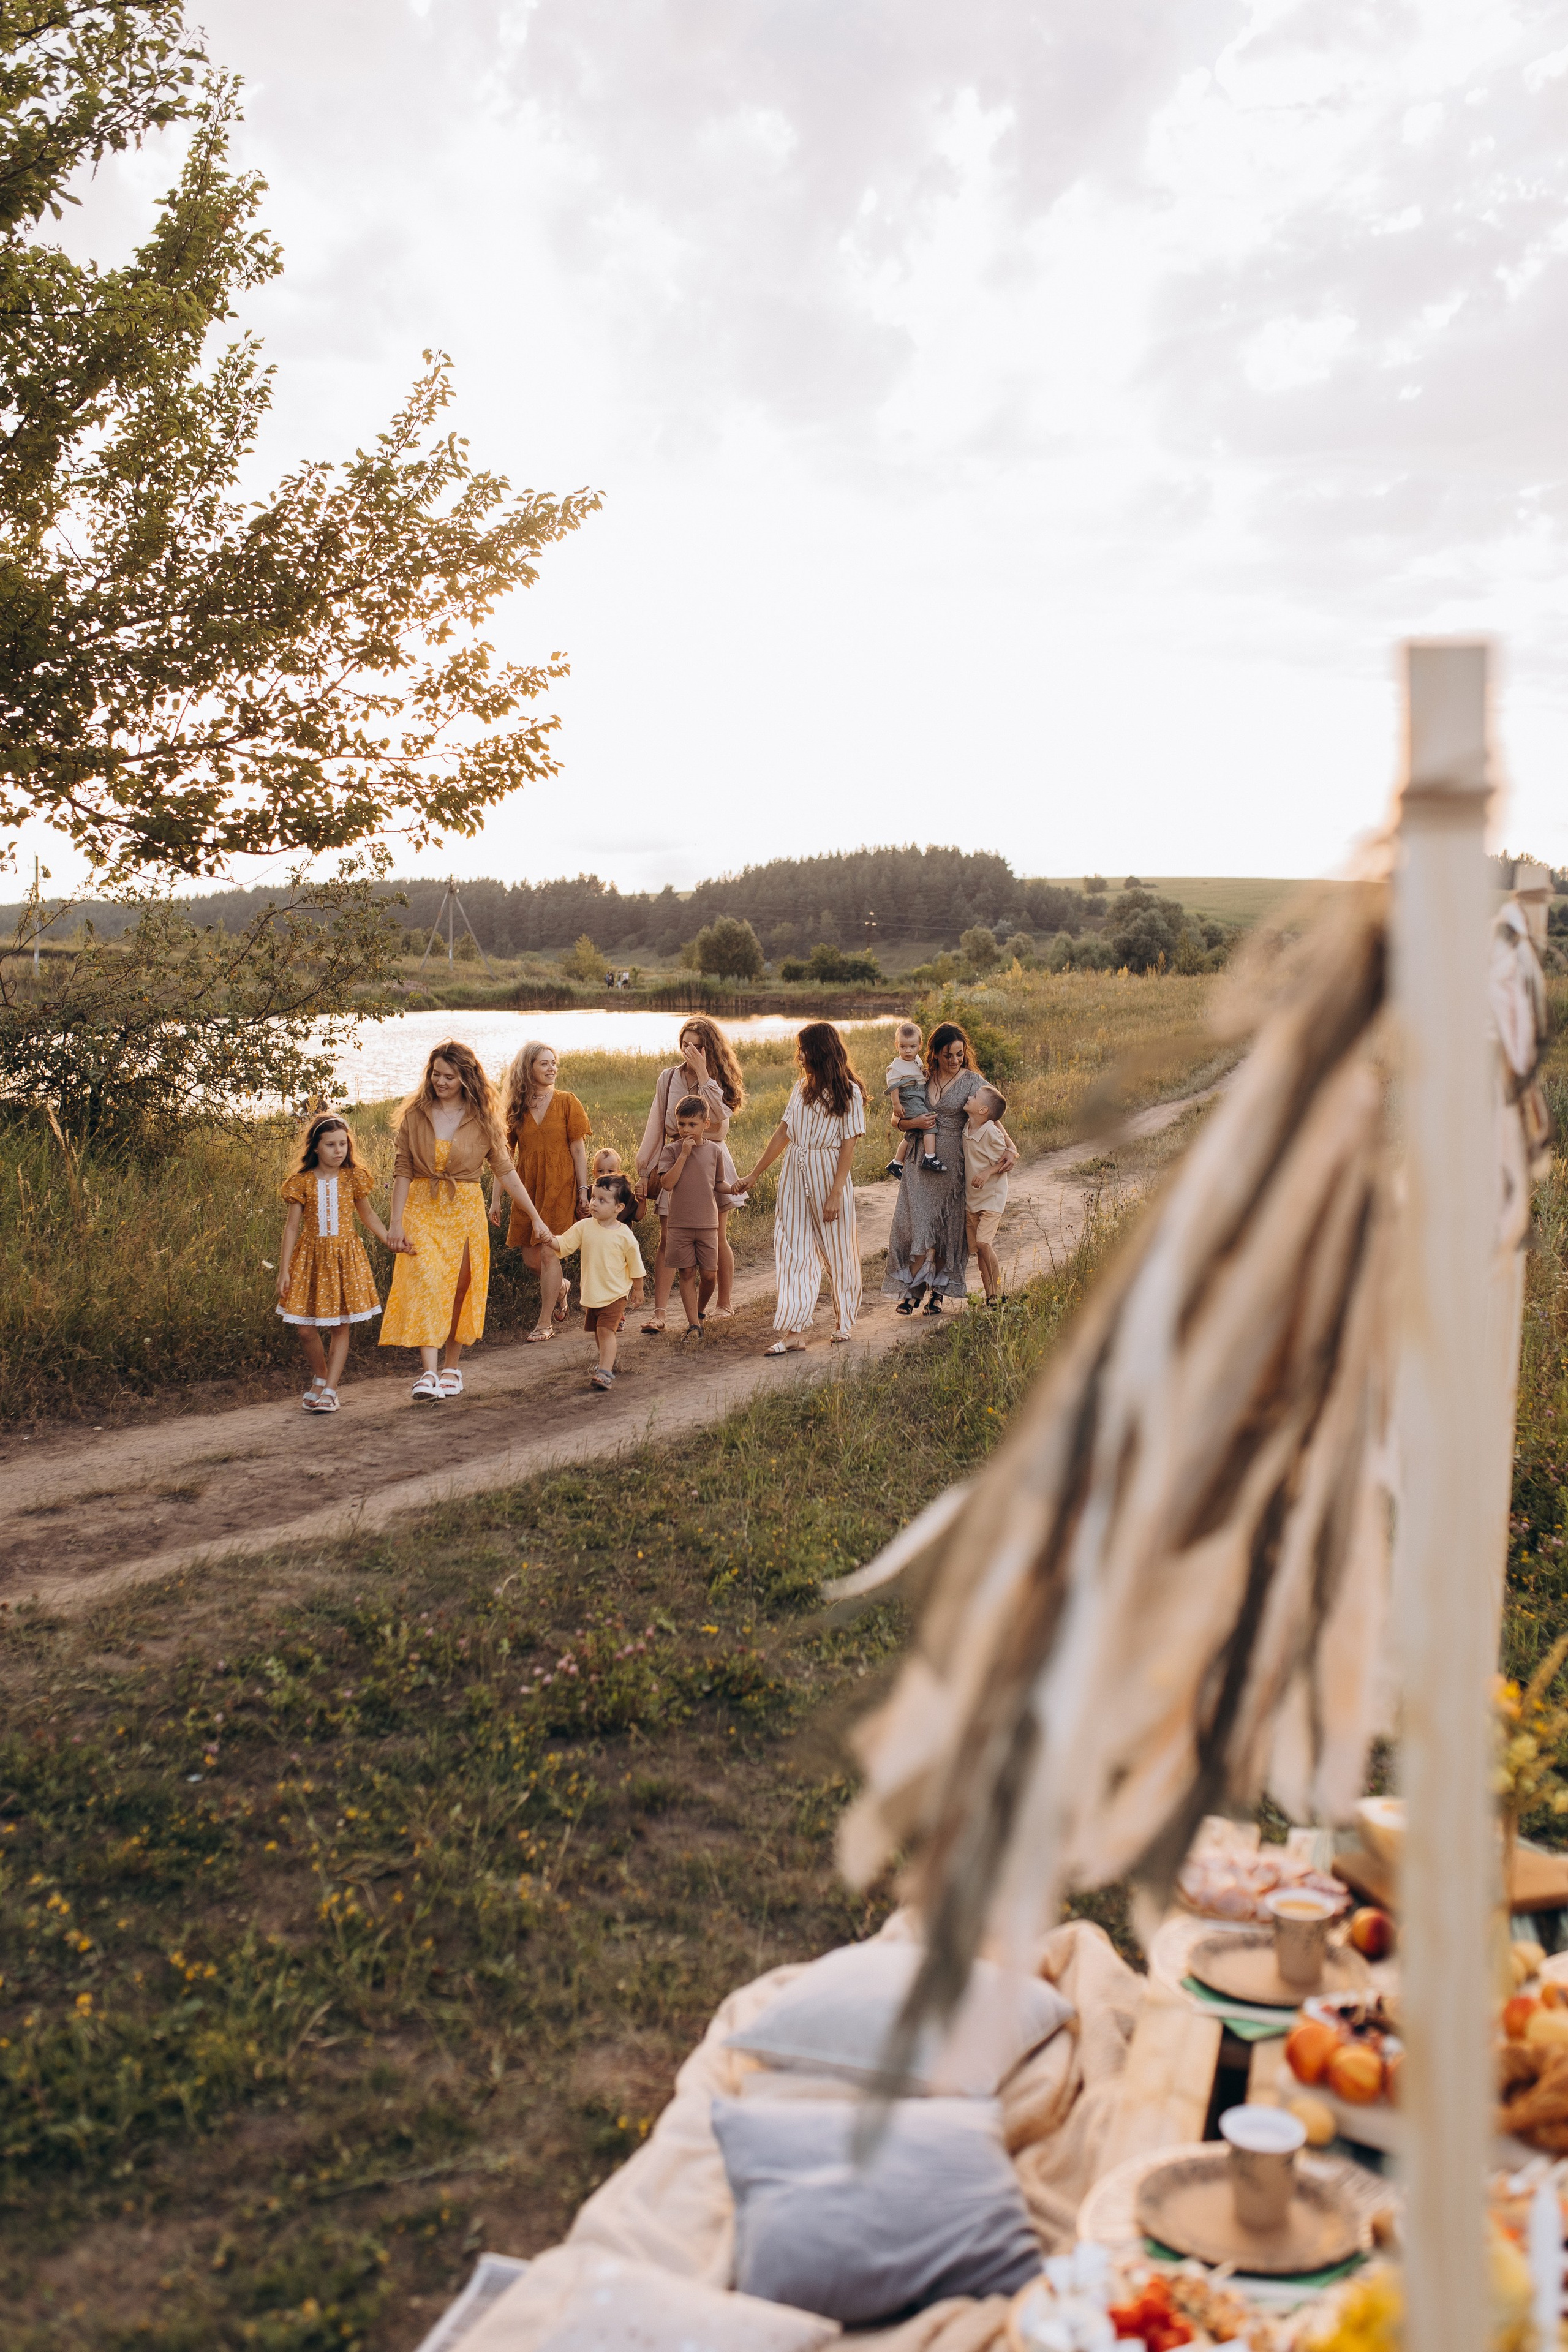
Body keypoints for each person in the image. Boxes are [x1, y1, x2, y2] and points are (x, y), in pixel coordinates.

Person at [383, 1040, 551, 1403]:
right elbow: (402, 1170)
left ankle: (451, 1368)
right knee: (426, 1282)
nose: (439, 1082)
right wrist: (395, 1223)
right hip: (423, 1208)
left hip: (465, 1210)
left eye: (449, 1076)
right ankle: (427, 1373)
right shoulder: (415, 1114)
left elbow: (506, 1170)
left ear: (466, 1078)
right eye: (435, 1074)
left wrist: (535, 1218)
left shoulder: (484, 1118)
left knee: (461, 1287)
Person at [737, 1023, 866, 1356]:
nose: (800, 1056)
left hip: (829, 1174)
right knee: (792, 1248)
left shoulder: (849, 1093)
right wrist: (753, 1175)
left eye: (804, 1049)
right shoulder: (801, 1089)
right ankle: (795, 1331)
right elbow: (783, 1134)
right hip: (795, 1173)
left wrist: (837, 1192)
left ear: (820, 1051)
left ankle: (844, 1320)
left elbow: (849, 1145)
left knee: (839, 1252)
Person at [275, 1113, 407, 1413]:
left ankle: (331, 1389)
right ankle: (320, 1376)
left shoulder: (353, 1178)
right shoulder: (302, 1182)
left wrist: (390, 1239)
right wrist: (284, 1270)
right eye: (331, 1145)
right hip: (311, 1259)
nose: (339, 1151)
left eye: (343, 1144)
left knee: (339, 1325)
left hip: (345, 1258)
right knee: (305, 1330)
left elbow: (368, 1216)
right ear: (316, 1148)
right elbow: (292, 1228)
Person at [883, 1022, 1015, 1316]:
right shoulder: (920, 1076)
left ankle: (938, 1294)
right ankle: (911, 1291)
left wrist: (1011, 1147)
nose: (954, 1061)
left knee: (946, 1231)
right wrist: (912, 1124)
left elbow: (993, 1115)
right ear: (935, 1054)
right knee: (916, 1224)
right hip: (919, 1161)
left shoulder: (972, 1082)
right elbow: (897, 1117)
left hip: (954, 1167)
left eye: (959, 1054)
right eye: (947, 1055)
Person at [636, 1019, 747, 1329]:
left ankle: (724, 1304)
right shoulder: (668, 1078)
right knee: (668, 1237)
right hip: (676, 1157)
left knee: (717, 1235)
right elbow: (656, 1124)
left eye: (698, 1045)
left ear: (709, 1047)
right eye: (686, 1045)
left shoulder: (720, 1077)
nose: (691, 1051)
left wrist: (703, 1073)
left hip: (710, 1157)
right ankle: (659, 1314)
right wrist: (645, 1170)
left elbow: (722, 1114)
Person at [495, 1040, 592, 1342]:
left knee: (550, 1254)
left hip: (561, 1187)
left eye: (554, 1063)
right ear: (529, 1068)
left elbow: (578, 1150)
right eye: (544, 1064)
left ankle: (544, 1323)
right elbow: (503, 1157)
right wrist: (496, 1199)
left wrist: (584, 1190)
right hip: (527, 1189)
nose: (552, 1069)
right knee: (531, 1261)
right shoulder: (515, 1108)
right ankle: (562, 1288)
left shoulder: (567, 1102)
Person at [545, 1174, 647, 1390]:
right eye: (594, 1198)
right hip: (594, 1293)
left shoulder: (625, 1235)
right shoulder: (585, 1227)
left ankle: (605, 1373)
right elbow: (565, 1243)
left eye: (602, 1200)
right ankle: (607, 1362)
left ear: (619, 1207)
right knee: (599, 1332)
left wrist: (638, 1290)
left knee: (606, 1331)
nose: (594, 1204)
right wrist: (549, 1239)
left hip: (616, 1293)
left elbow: (636, 1264)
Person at [655, 1097, 748, 1333]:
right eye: (681, 1124)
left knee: (709, 1276)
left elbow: (718, 1184)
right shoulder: (672, 1150)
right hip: (679, 1224)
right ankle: (694, 1325)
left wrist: (733, 1188)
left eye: (692, 1125)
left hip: (708, 1223)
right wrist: (684, 1155)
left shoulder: (714, 1151)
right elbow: (667, 1184)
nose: (686, 1130)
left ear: (706, 1124)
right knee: (687, 1272)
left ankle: (699, 1310)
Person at [963, 1084, 1014, 1306]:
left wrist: (987, 1172)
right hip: (972, 1197)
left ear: (983, 1110)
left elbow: (1008, 1158)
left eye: (974, 1097)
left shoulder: (992, 1132)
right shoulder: (967, 1127)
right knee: (978, 1250)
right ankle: (990, 1296)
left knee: (984, 1243)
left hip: (992, 1195)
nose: (968, 1097)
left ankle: (999, 1290)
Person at [884, 1018, 944, 1180]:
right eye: (903, 1047)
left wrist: (923, 1073)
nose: (908, 1051)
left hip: (917, 1094)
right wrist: (896, 1105)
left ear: (920, 1045)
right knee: (929, 1123)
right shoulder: (895, 1066)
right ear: (897, 1045)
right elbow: (893, 1087)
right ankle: (930, 1157)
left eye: (912, 1047)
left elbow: (916, 1072)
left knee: (913, 1134)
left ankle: (897, 1162)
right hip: (908, 1097)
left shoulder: (916, 1060)